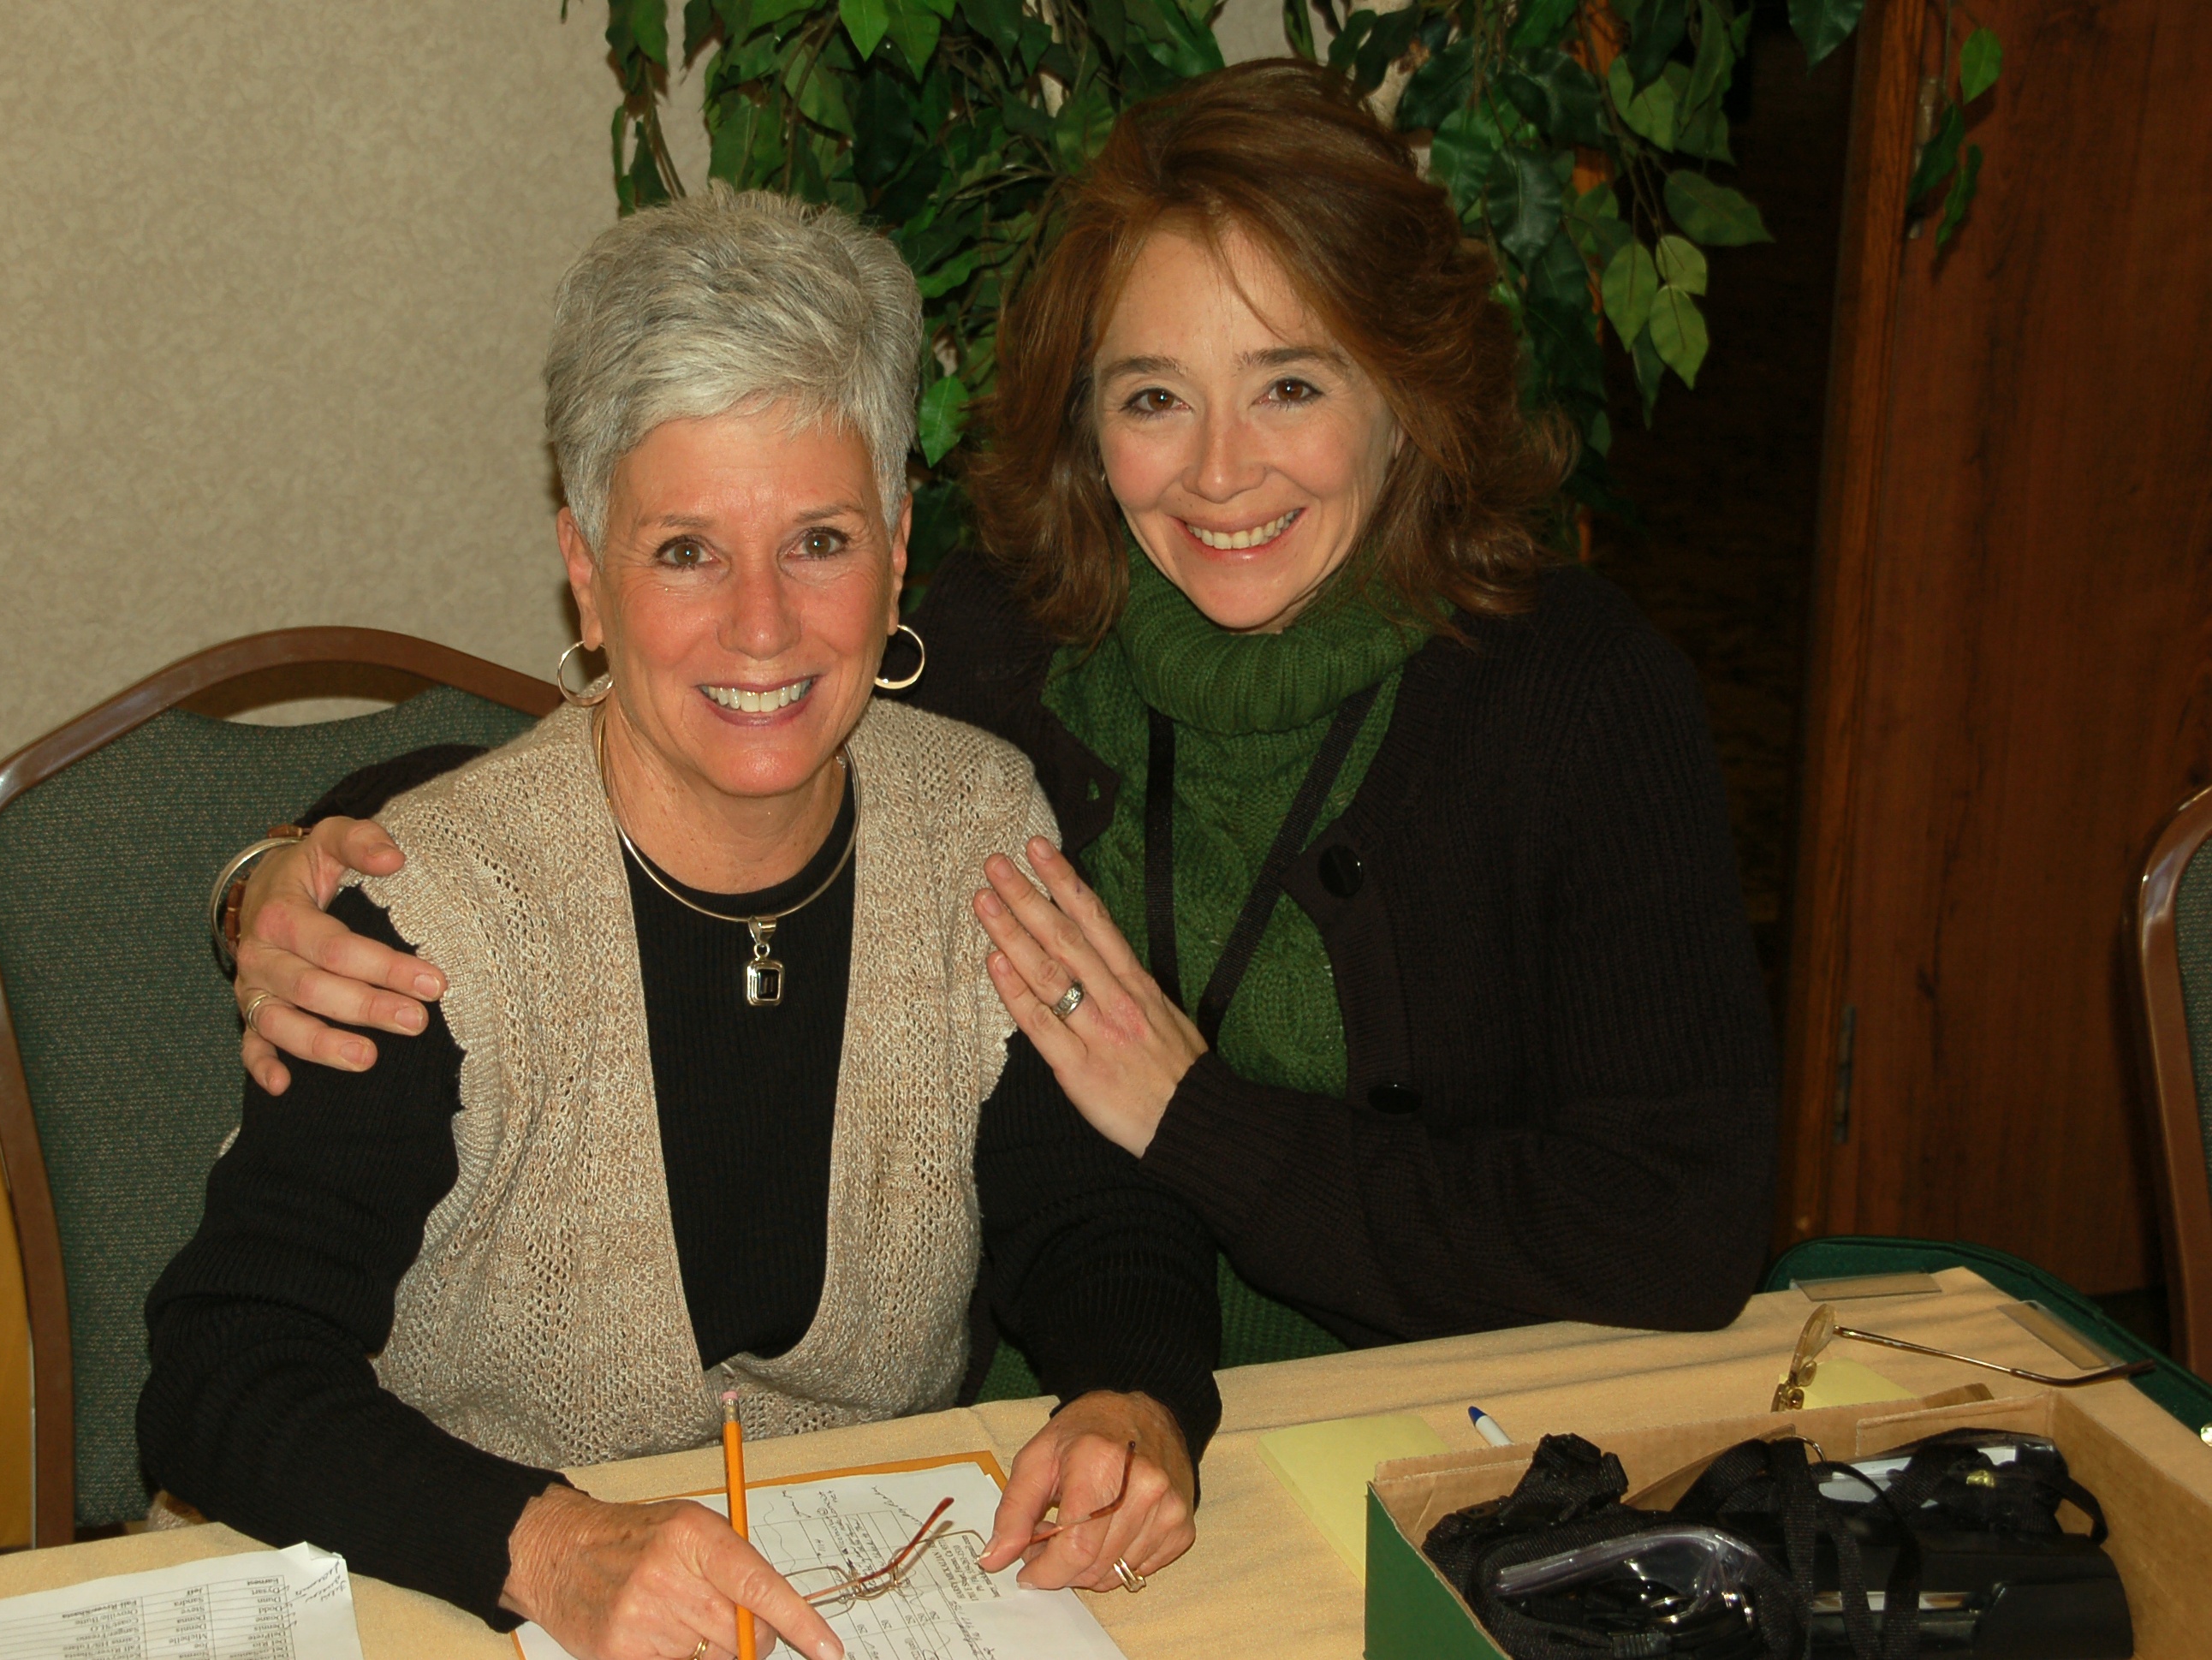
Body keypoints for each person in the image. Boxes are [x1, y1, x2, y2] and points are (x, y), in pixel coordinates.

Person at [226, 62, 1776, 1366]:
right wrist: (294, 869)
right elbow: (691, 735)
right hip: (1046, 1461)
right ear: (1089, 423)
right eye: (1154, 396)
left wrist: (1195, 1121)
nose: (1220, 470)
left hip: (1433, 1446)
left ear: (1407, 392)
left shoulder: (1571, 699)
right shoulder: (1010, 645)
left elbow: (1682, 1229)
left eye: (1292, 385)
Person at [140, 190, 1219, 1660]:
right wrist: (547, 1548)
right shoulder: (432, 914)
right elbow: (221, 1370)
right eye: (687, 553)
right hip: (440, 1604)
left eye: (820, 541)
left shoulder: (980, 827)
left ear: (900, 547)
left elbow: (1097, 1211)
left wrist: (1135, 1401)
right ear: (586, 570)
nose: (763, 626)